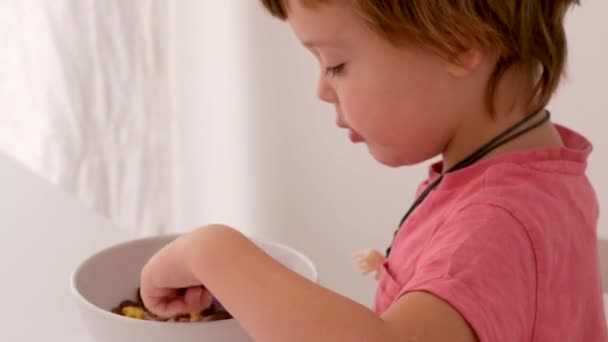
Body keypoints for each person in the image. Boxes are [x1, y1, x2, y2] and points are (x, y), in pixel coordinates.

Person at [139, 0, 608, 341]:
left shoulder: (496, 223)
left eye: (336, 64)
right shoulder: (544, 172)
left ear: (458, 42)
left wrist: (212, 251)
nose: (322, 89)